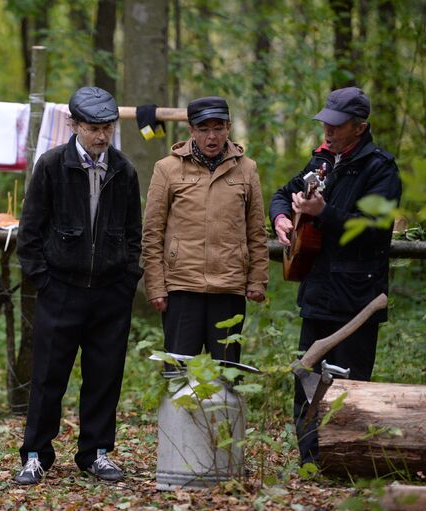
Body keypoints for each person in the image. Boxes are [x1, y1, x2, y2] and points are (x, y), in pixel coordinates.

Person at [13, 86, 142, 485]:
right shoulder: (51, 166)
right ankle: (35, 454)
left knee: (104, 376)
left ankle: (96, 453)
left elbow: (135, 235)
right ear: (74, 125)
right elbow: (30, 234)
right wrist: (45, 283)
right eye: (92, 128)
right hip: (61, 290)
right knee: (48, 376)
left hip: (109, 293)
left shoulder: (124, 170)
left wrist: (126, 281)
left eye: (106, 127)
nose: (101, 137)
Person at [269, 86, 402, 466]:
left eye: (336, 125)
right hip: (317, 294)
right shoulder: (324, 159)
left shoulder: (380, 168)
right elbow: (283, 193)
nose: (327, 131)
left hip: (357, 301)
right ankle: (310, 461)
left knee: (349, 385)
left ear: (359, 127)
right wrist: (280, 217)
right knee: (306, 378)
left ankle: (347, 463)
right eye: (325, 122)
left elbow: (375, 231)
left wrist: (323, 211)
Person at [141, 96, 269, 364]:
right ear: (191, 130)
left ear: (229, 128)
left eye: (218, 128)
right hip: (181, 286)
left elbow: (256, 231)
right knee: (178, 370)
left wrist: (257, 279)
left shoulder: (247, 169)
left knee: (226, 371)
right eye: (204, 129)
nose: (212, 136)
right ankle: (176, 409)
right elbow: (152, 232)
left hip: (229, 287)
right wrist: (156, 286)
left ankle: (225, 408)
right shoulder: (167, 169)